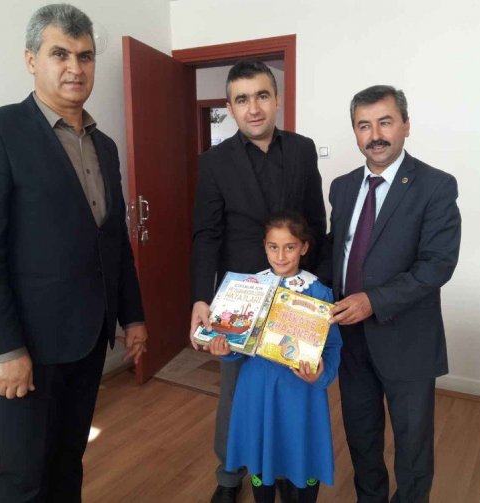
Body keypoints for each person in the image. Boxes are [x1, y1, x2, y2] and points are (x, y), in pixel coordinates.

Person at [0, 4, 148, 501]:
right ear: (31, 59)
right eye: (60, 54)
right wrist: (4, 350)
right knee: (24, 479)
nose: (75, 68)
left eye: (85, 56)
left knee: (68, 463)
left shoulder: (105, 146)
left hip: (89, 338)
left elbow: (113, 239)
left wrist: (133, 316)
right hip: (28, 348)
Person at [189, 59, 327, 503]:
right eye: (242, 99)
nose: (254, 108)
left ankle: (282, 466)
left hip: (295, 296)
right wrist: (201, 298)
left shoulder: (302, 150)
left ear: (277, 99)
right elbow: (207, 234)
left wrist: (317, 298)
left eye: (262, 96)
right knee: (236, 392)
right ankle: (229, 477)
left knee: (288, 386)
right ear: (230, 107)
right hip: (241, 299)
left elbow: (316, 223)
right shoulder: (214, 162)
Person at [327, 85, 461, 502]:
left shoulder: (435, 186)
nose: (375, 135)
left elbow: (436, 265)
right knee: (361, 436)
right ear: (355, 132)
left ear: (405, 125)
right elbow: (337, 251)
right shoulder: (342, 187)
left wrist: (373, 301)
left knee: (412, 445)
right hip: (351, 339)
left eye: (385, 122)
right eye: (364, 125)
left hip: (406, 339)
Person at [206, 210, 341, 503]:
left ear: (304, 247)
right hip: (256, 388)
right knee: (260, 450)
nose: (280, 256)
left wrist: (322, 375)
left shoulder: (319, 292)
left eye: (290, 247)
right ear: (264, 247)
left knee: (302, 448)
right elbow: (236, 343)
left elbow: (332, 347)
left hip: (301, 391)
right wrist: (225, 351)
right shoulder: (248, 289)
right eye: (273, 247)